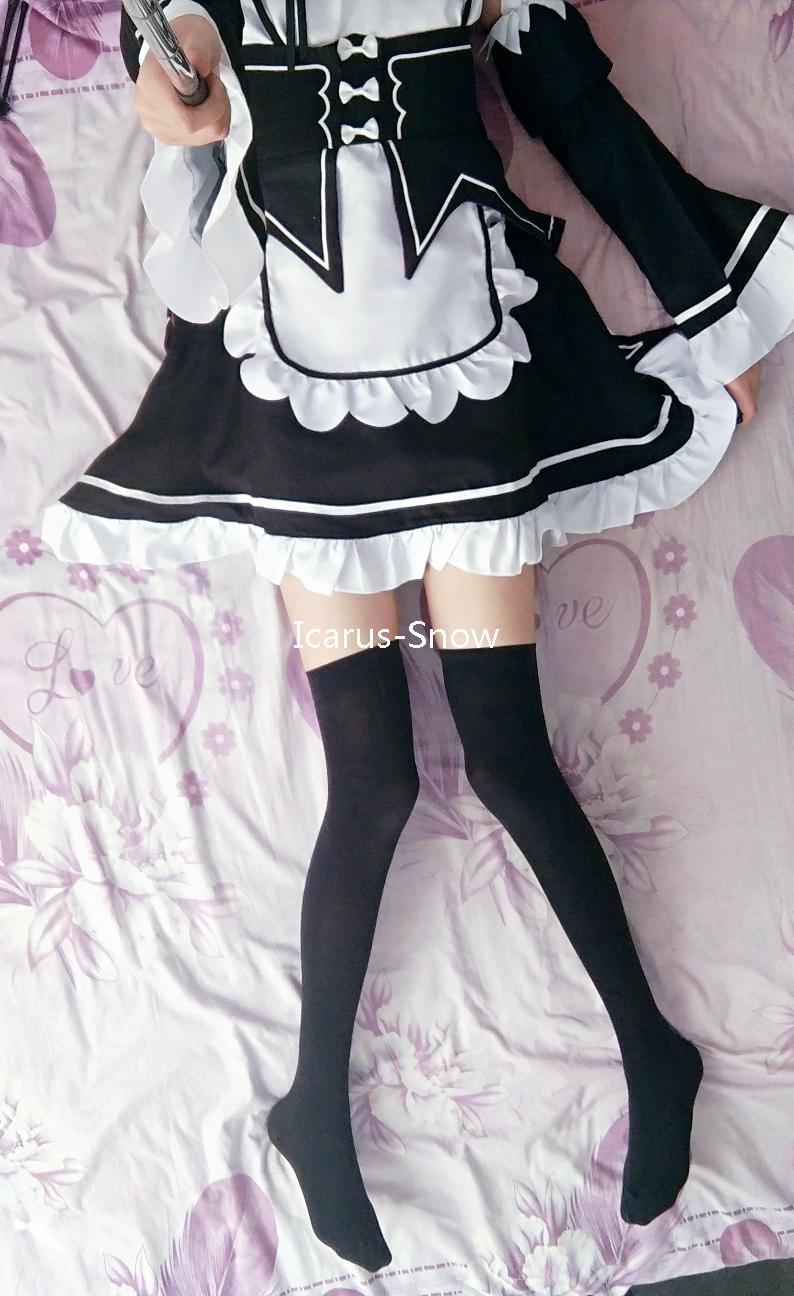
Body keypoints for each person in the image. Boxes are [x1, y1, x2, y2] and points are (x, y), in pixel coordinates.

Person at [40, 0, 793, 1275]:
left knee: (509, 758)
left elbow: (582, 119)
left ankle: (651, 1046)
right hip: (290, 388)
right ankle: (310, 1104)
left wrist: (712, 307)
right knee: (372, 780)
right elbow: (178, 104)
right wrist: (180, 107)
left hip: (472, 371)